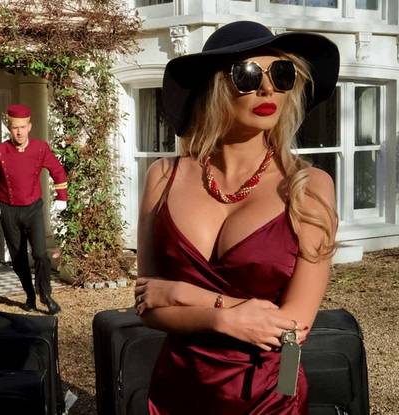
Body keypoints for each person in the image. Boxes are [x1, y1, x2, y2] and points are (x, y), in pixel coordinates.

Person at [134, 21, 339, 414]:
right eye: (248, 75)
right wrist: (224, 319)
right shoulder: (163, 176)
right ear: (214, 87)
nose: (268, 89)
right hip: (177, 392)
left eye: (281, 74)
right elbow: (148, 305)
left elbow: (293, 327)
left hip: (266, 397)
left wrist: (184, 295)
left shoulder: (309, 187)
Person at [0, 103, 68, 315]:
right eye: (14, 128)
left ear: (29, 126)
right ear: (9, 128)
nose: (19, 132)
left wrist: (61, 196)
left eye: (22, 127)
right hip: (8, 210)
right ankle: (29, 294)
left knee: (40, 254)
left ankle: (45, 295)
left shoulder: (40, 148)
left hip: (33, 208)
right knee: (18, 258)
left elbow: (58, 171)